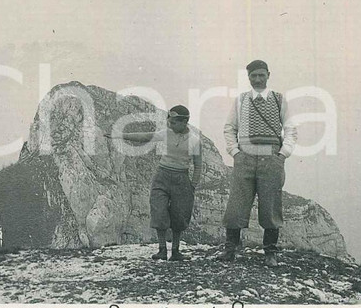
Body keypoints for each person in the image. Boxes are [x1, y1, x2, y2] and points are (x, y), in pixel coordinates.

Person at [219, 60, 297, 266]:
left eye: (261, 75)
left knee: (271, 205)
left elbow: (290, 128)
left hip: (271, 158)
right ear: (249, 78)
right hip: (244, 157)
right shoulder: (241, 100)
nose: (257, 79)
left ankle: (270, 252)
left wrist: (283, 154)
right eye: (253, 76)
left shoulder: (279, 99)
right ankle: (230, 249)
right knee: (237, 203)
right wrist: (235, 152)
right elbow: (229, 128)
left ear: (268, 75)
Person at [105, 105, 203, 261]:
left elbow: (198, 165)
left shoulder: (195, 141)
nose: (169, 124)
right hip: (162, 175)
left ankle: (176, 251)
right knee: (159, 211)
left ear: (184, 122)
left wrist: (192, 185)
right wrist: (120, 135)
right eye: (169, 121)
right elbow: (144, 136)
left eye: (173, 122)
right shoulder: (165, 133)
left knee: (179, 215)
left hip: (182, 179)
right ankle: (162, 250)